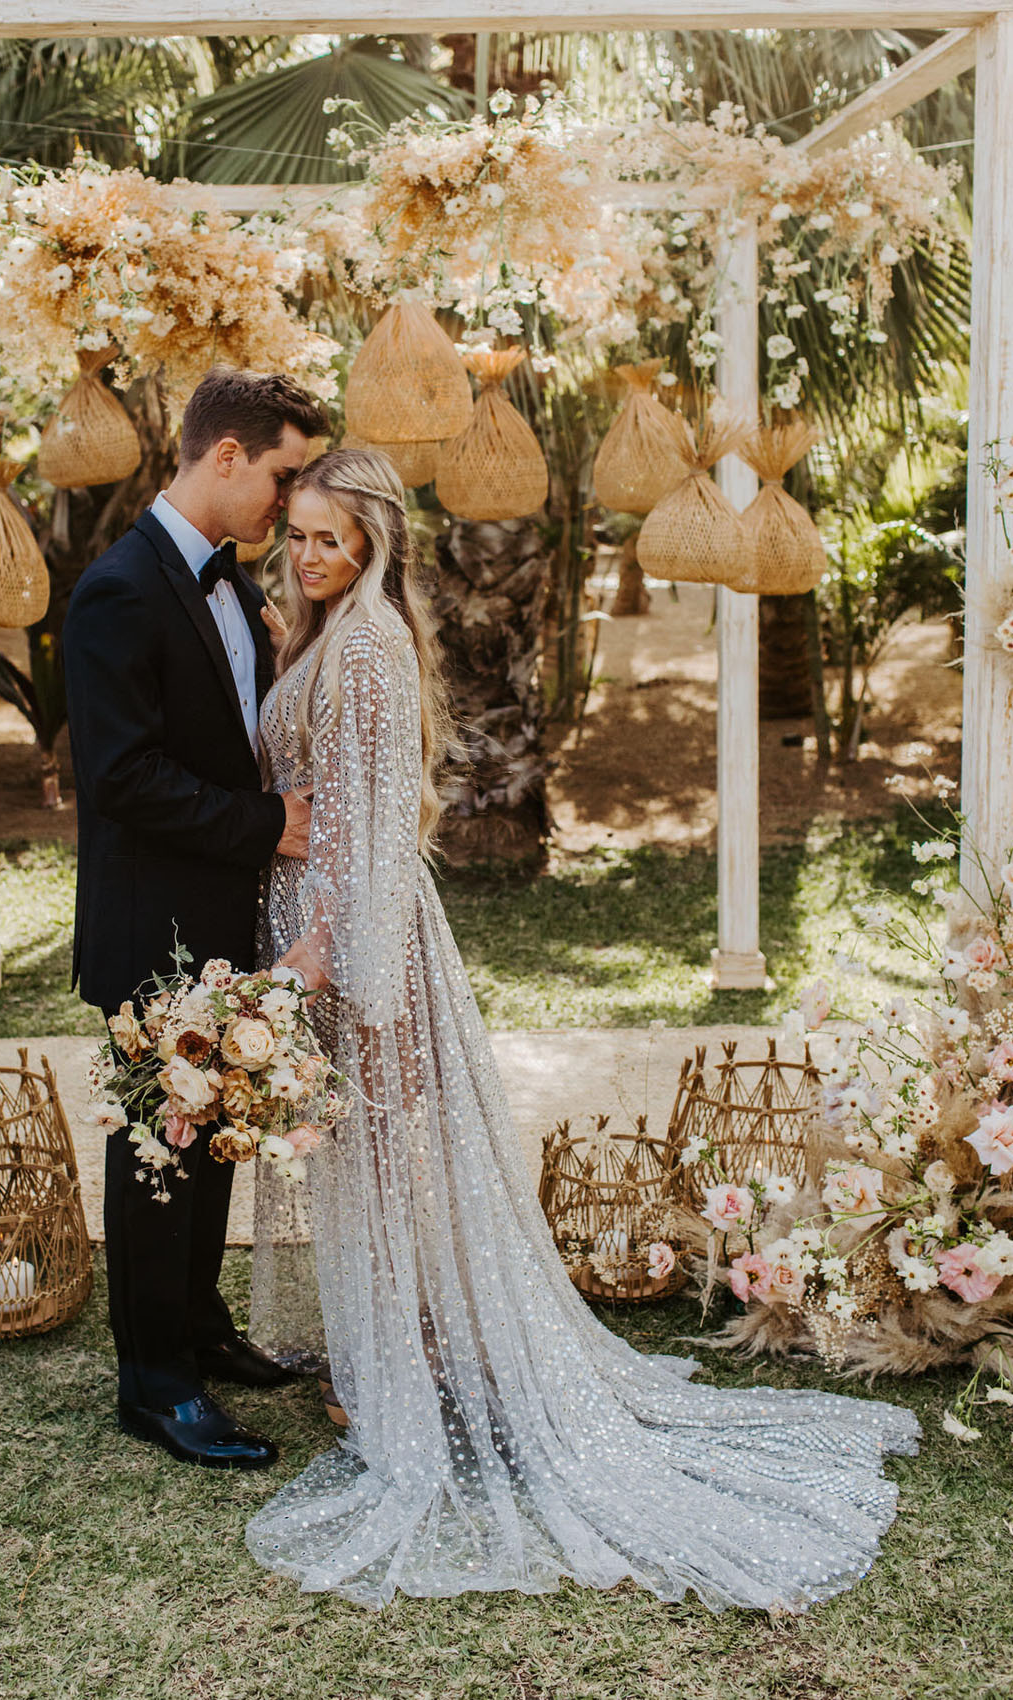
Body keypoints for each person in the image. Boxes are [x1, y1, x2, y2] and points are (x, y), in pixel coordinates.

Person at [246, 446, 920, 1610]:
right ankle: (389, 1356)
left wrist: (322, 961)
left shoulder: (366, 643)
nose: (308, 555)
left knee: (394, 1154)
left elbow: (362, 825)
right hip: (326, 928)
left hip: (357, 942)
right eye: (297, 534)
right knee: (363, 1154)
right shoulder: (319, 634)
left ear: (372, 545)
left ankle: (411, 1368)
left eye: (329, 539)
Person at [63, 367, 329, 1471]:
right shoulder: (119, 587)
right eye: (282, 473)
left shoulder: (230, 586)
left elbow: (216, 731)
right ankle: (153, 1381)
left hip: (219, 918)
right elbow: (122, 776)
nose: (289, 498)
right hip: (154, 921)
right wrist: (270, 821)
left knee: (212, 1130)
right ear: (225, 456)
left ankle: (201, 1328)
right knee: (155, 1151)